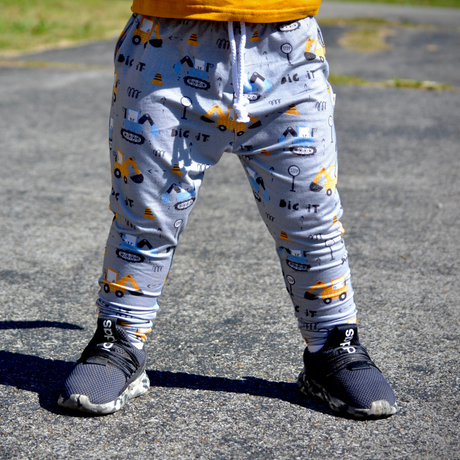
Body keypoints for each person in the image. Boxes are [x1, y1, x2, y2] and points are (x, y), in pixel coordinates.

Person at [58, 0, 397, 419]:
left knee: (311, 220)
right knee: (145, 217)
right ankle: (119, 339)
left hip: (287, 48)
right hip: (166, 43)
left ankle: (334, 344)